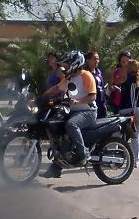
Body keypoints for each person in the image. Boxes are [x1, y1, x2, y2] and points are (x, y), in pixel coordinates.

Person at [42, 50, 98, 178]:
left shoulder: (86, 75)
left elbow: (93, 96)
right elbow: (57, 88)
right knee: (57, 127)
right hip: (74, 111)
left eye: (67, 64)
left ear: (75, 63)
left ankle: (83, 153)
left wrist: (78, 101)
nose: (65, 66)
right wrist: (42, 97)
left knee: (71, 124)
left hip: (88, 112)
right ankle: (57, 166)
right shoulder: (70, 78)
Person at [119, 58, 139, 166]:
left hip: (126, 109)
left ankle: (119, 156)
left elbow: (116, 84)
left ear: (129, 68)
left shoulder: (125, 77)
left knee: (120, 133)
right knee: (136, 136)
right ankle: (135, 161)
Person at [88, 50, 107, 118]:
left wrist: (104, 102)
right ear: (88, 60)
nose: (96, 61)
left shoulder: (98, 72)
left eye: (98, 59)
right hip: (93, 102)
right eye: (94, 59)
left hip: (101, 102)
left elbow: (102, 87)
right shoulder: (86, 73)